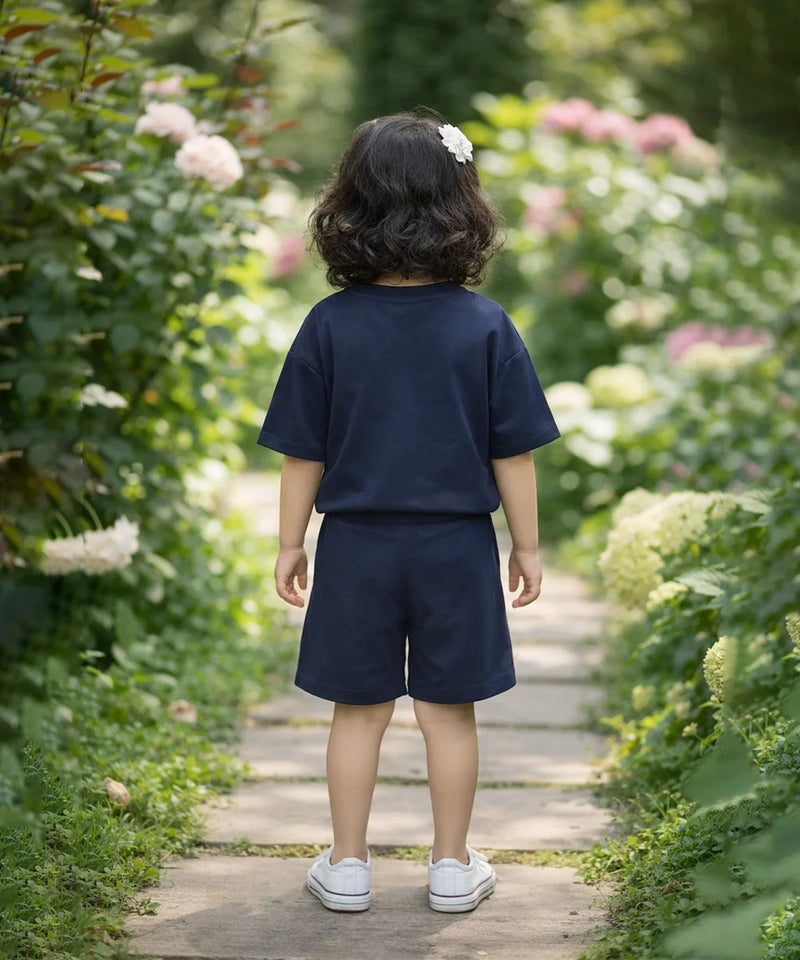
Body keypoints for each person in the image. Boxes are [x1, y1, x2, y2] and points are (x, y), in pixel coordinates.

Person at [256, 112, 561, 914]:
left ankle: (349, 865)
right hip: (456, 547)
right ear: (461, 203)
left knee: (356, 712)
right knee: (447, 711)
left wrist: (291, 542)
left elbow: (301, 453)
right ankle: (452, 866)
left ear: (348, 206)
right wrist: (526, 547)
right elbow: (514, 452)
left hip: (355, 544)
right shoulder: (486, 326)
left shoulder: (329, 325)